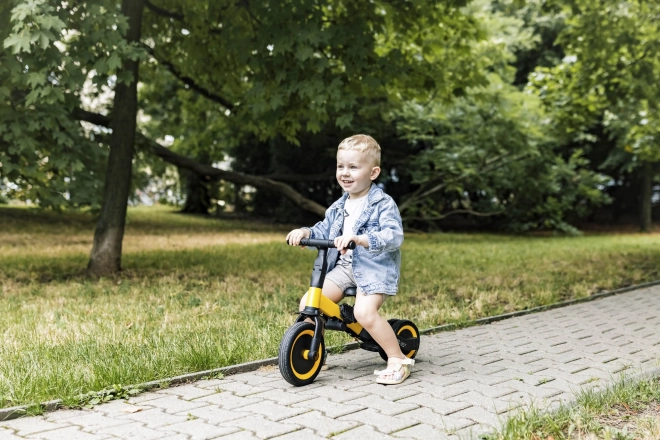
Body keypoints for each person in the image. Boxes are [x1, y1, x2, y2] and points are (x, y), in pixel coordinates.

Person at [286, 134, 413, 385]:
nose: (345, 172)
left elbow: (393, 235)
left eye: (353, 167)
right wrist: (305, 233)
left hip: (373, 268)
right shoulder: (338, 206)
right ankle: (314, 351)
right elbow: (323, 230)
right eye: (340, 166)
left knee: (364, 313)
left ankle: (398, 360)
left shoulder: (382, 204)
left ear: (373, 172)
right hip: (344, 268)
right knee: (309, 304)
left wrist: (361, 239)